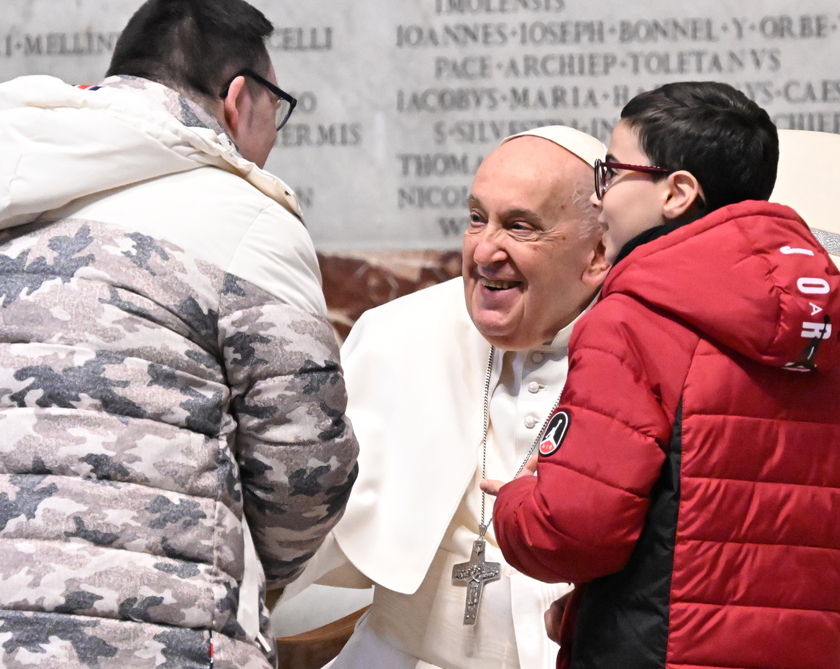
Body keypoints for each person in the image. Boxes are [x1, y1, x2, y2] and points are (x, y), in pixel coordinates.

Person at [0, 1, 358, 667]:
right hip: (164, 638)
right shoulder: (245, 218)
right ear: (239, 99)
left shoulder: (17, 170)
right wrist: (252, 566)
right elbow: (301, 473)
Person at [491, 81, 840, 669]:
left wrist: (518, 503)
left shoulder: (636, 318)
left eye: (611, 172)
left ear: (677, 192)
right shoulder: (826, 316)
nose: (598, 199)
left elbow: (574, 530)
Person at [282, 125, 611, 669]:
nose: (484, 251)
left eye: (519, 226)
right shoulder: (397, 333)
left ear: (597, 252)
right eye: (477, 218)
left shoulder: (648, 354)